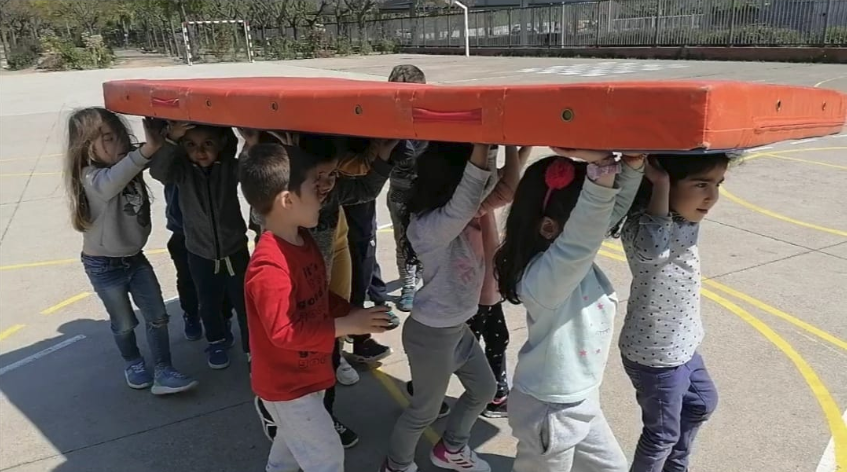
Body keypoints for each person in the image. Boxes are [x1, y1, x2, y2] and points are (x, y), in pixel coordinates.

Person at [240, 142, 392, 472]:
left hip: (309, 375)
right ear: (287, 200)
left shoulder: (303, 240)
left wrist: (351, 314)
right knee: (326, 458)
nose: (324, 191)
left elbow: (319, 295)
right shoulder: (269, 267)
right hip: (287, 387)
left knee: (289, 451)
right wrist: (346, 326)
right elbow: (284, 332)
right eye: (315, 185)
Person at [494, 149, 645, 472]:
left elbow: (602, 218)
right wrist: (602, 171)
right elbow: (583, 235)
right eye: (583, 220)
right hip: (550, 410)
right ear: (549, 227)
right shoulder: (546, 279)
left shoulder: (568, 262)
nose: (596, 227)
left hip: (580, 397)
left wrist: (632, 166)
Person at [380, 142, 498, 472]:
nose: (476, 191)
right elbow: (471, 193)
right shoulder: (429, 227)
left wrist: (505, 145)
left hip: (456, 329)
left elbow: (493, 184)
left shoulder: (456, 217)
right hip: (432, 334)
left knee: (484, 389)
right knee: (424, 411)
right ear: (451, 182)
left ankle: (451, 447)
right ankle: (396, 465)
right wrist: (481, 145)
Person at [65, 107, 197, 394]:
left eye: (121, 135)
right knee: (124, 323)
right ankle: (133, 361)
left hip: (135, 259)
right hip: (103, 266)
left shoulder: (128, 160)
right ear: (86, 148)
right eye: (109, 139)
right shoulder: (92, 177)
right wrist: (149, 148)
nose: (120, 143)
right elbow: (116, 177)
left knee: (158, 316)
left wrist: (170, 137)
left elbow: (155, 157)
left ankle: (163, 370)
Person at [619, 155, 726, 472]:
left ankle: (675, 467)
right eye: (701, 185)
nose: (712, 196)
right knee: (661, 435)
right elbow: (653, 250)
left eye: (718, 184)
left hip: (684, 346)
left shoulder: (685, 220)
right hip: (656, 356)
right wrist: (661, 183)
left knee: (701, 403)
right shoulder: (642, 228)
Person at [149, 123, 250, 370]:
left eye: (208, 144)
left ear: (222, 143)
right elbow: (159, 171)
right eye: (191, 145)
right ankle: (215, 341)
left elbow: (250, 168)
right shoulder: (182, 172)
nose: (200, 151)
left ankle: (252, 348)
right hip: (199, 253)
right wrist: (171, 139)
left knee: (245, 303)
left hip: (235, 250)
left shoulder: (228, 168)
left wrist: (251, 142)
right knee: (208, 302)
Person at [467, 144, 532, 418]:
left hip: (485, 285)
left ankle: (497, 393)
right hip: (475, 287)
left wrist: (522, 145)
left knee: (496, 337)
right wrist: (510, 142)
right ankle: (428, 389)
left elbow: (507, 176)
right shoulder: (470, 201)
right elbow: (509, 187)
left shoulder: (473, 190)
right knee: (466, 345)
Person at [163, 183, 234, 342]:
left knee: (222, 276)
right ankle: (191, 314)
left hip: (216, 229)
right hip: (183, 228)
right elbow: (159, 171)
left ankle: (224, 317)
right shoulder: (175, 171)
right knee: (187, 278)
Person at [385, 64, 428, 312]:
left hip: (427, 188)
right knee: (403, 238)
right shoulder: (387, 118)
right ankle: (408, 284)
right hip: (400, 189)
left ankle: (422, 275)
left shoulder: (430, 116)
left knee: (427, 237)